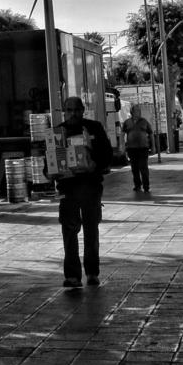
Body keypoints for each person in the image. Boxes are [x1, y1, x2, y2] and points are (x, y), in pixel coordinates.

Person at [53, 96, 113, 288]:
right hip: (67, 189)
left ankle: (92, 273)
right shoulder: (58, 132)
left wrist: (95, 164)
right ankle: (72, 276)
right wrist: (52, 172)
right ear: (64, 111)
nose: (73, 114)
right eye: (69, 110)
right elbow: (50, 162)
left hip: (91, 186)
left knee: (91, 230)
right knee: (69, 231)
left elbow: (107, 155)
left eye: (76, 110)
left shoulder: (94, 128)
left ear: (82, 110)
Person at [122, 103, 154, 193]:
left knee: (143, 167)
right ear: (132, 112)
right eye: (137, 110)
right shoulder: (127, 122)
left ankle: (146, 186)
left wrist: (153, 146)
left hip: (143, 148)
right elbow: (122, 134)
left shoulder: (144, 121)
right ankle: (137, 185)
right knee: (134, 168)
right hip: (131, 149)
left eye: (139, 111)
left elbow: (151, 133)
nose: (139, 112)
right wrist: (122, 146)